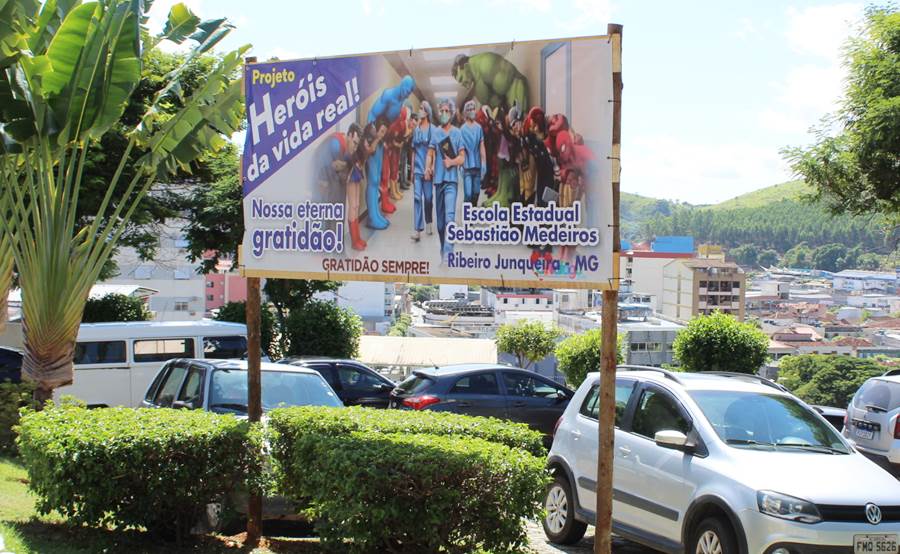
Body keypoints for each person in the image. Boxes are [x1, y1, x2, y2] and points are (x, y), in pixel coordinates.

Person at [427, 98, 465, 260]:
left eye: (446, 111)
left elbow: (462, 157)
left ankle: (449, 252)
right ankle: (444, 247)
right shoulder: (436, 133)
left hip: (451, 182)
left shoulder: (457, 133)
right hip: (438, 182)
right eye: (441, 111)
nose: (443, 113)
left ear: (452, 113)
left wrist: (452, 162)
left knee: (450, 217)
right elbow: (430, 153)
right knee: (441, 224)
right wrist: (428, 167)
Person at [411, 101, 434, 242]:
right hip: (418, 170)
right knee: (417, 198)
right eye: (419, 108)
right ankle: (417, 230)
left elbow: (434, 151)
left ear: (427, 112)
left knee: (428, 198)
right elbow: (413, 151)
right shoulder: (416, 130)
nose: (419, 111)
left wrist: (431, 167)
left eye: (422, 109)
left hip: (428, 171)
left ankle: (429, 221)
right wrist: (412, 170)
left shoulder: (432, 129)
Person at [460, 100, 486, 206]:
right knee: (468, 194)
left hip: (477, 166)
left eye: (473, 109)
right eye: (469, 109)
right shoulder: (462, 129)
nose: (471, 111)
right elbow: (461, 148)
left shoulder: (479, 128)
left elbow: (481, 146)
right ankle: (467, 212)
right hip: (466, 166)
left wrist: (484, 163)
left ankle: (473, 211)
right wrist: (460, 165)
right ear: (466, 112)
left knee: (476, 193)